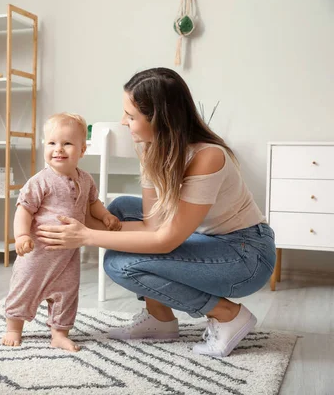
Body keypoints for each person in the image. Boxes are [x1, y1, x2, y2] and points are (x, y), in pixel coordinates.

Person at [36, 68, 276, 357]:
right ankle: (159, 319)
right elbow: (152, 225)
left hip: (245, 255)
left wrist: (87, 236)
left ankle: (227, 314)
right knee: (121, 208)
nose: (124, 122)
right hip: (204, 238)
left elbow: (165, 240)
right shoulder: (151, 149)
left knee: (120, 264)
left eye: (132, 116)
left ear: (160, 118)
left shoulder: (207, 156)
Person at [1, 113, 121, 352]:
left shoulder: (85, 179)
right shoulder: (40, 181)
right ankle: (14, 328)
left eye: (67, 143)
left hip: (67, 255)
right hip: (37, 254)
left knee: (67, 294)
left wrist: (105, 215)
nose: (59, 149)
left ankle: (59, 333)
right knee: (24, 288)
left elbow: (92, 203)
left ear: (82, 150)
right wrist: (22, 236)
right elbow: (23, 211)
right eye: (52, 143)